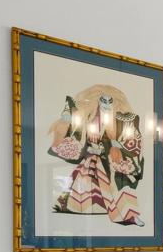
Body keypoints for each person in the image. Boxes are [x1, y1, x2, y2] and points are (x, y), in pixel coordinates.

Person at [46, 84, 145, 226]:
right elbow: (71, 115)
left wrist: (114, 147)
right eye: (103, 101)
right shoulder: (88, 118)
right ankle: (80, 209)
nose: (106, 105)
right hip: (91, 157)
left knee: (119, 185)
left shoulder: (122, 120)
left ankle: (130, 215)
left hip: (110, 159)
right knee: (84, 184)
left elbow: (129, 140)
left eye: (110, 101)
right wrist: (66, 118)